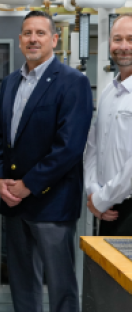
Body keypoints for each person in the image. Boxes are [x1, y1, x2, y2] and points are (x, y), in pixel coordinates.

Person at [0, 11, 93, 312]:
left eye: (40, 33)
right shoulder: (10, 82)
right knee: (22, 286)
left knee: (61, 286)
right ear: (20, 40)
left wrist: (28, 185)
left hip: (53, 205)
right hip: (13, 203)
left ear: (55, 39)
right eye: (27, 33)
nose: (33, 39)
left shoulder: (73, 82)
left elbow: (69, 147)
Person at [85, 13, 132, 236]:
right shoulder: (108, 92)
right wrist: (93, 191)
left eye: (131, 39)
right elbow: (94, 146)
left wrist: (103, 199)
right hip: (107, 207)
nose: (123, 46)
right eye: (117, 39)